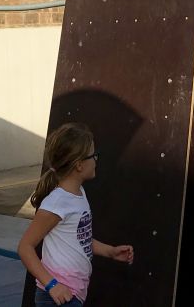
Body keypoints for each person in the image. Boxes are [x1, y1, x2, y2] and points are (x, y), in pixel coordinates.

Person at [18, 123, 134, 306]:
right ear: (79, 165)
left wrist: (110, 251)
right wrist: (52, 285)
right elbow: (25, 247)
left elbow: (79, 239)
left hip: (72, 293)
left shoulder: (79, 193)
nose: (96, 160)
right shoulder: (57, 202)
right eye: (93, 155)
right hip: (57, 296)